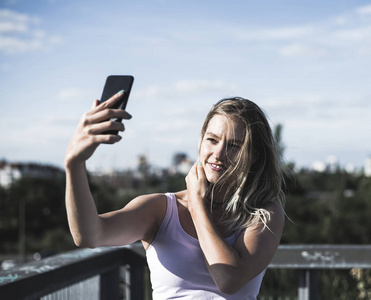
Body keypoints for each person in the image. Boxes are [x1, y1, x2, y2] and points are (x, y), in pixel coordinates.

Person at [65, 90, 285, 299]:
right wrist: (74, 164)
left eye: (234, 145)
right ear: (201, 141)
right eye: (212, 140)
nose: (218, 154)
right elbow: (89, 235)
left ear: (253, 155)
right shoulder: (161, 210)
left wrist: (196, 202)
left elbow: (228, 280)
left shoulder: (264, 214)